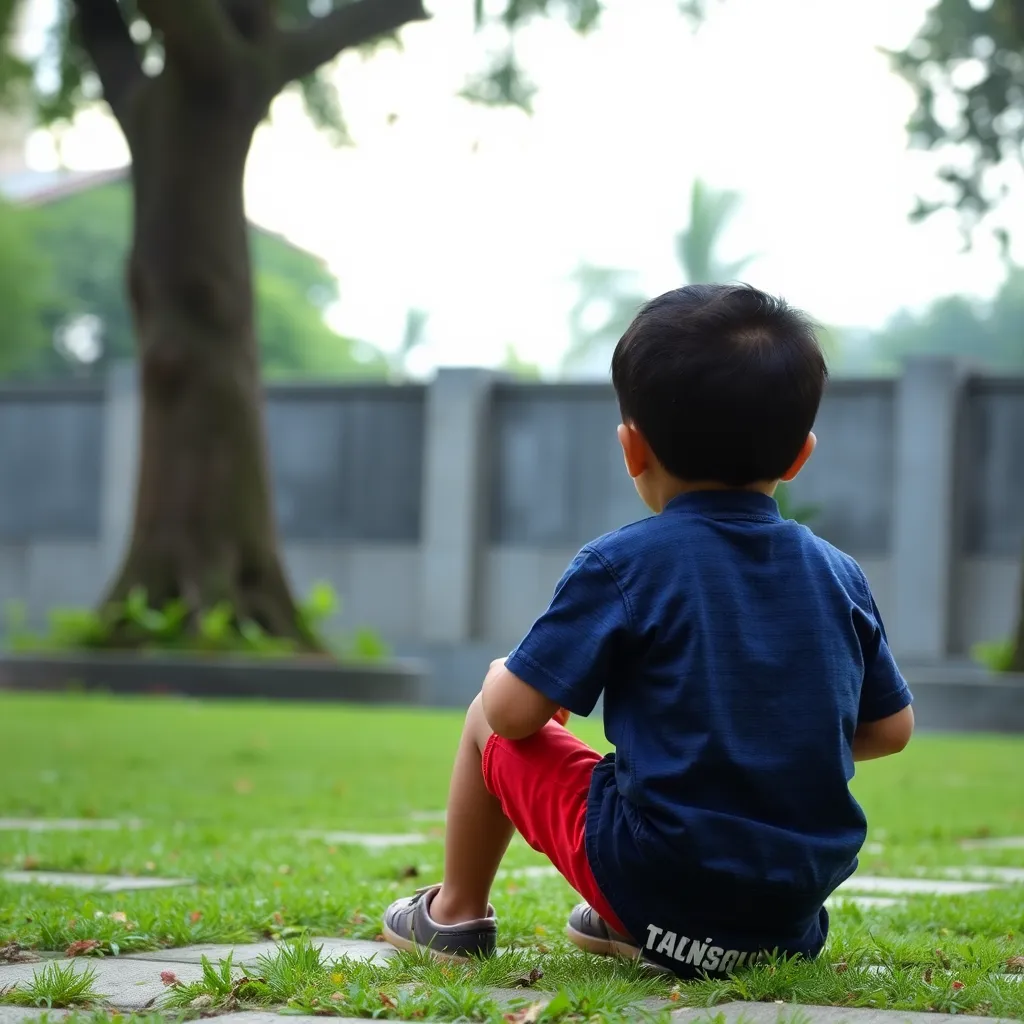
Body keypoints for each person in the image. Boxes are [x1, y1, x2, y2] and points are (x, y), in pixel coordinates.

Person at [381, 283, 915, 978]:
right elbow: (891, 728)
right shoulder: (839, 573)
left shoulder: (623, 563)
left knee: (486, 712)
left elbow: (514, 716)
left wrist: (500, 676)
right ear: (799, 456)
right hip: (790, 915)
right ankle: (639, 924)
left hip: (658, 874)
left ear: (632, 447)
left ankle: (453, 914)